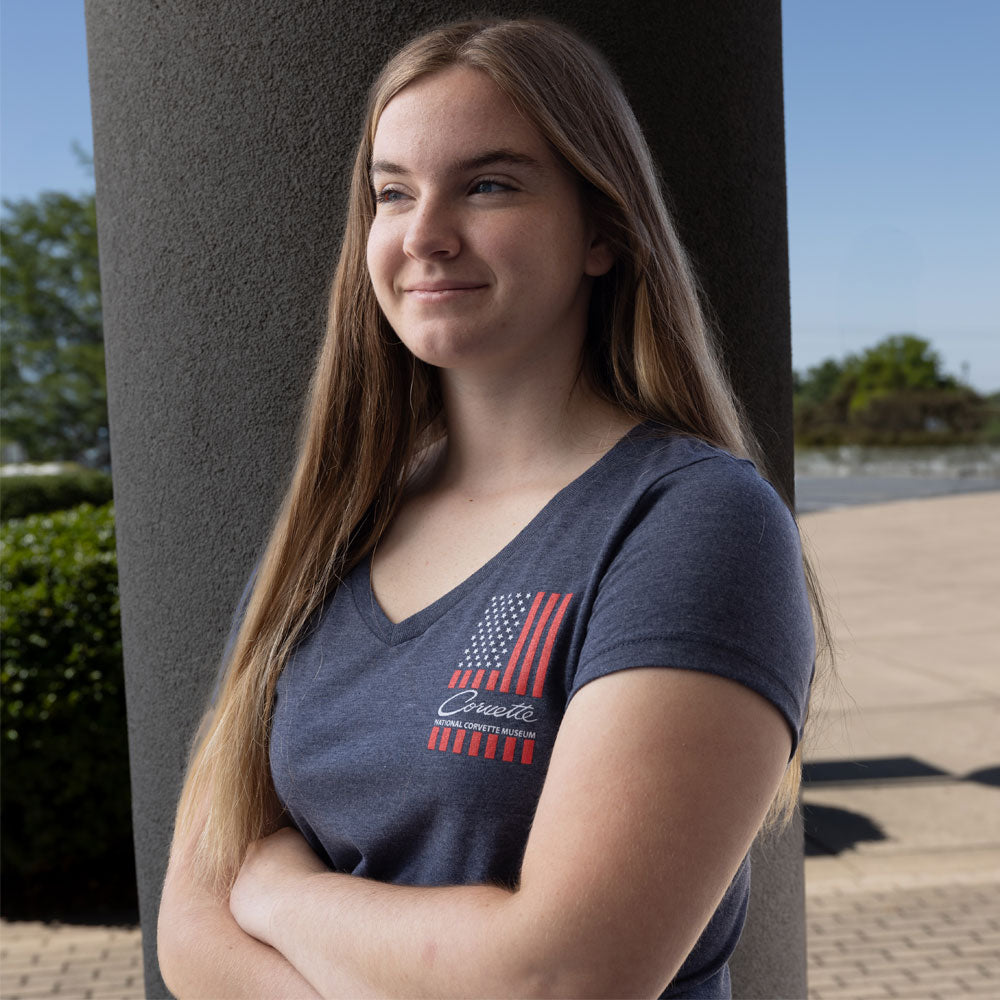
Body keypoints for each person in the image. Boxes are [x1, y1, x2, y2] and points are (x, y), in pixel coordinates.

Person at [157, 17, 829, 999]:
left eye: (488, 184)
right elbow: (190, 930)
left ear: (601, 230)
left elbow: (562, 976)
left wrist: (278, 894)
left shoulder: (689, 523)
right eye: (392, 193)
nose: (424, 232)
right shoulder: (328, 535)